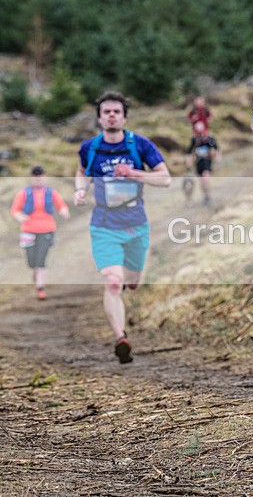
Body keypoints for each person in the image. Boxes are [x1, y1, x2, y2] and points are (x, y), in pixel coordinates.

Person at [74, 91, 171, 364]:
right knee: (114, 282)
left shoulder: (139, 145)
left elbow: (165, 179)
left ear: (124, 116)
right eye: (106, 112)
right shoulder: (90, 148)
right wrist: (80, 191)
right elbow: (81, 171)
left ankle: (127, 291)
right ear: (100, 118)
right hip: (103, 225)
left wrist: (135, 173)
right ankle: (121, 337)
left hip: (136, 225)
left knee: (132, 282)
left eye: (116, 111)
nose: (112, 115)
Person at [9, 165, 70, 300]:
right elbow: (15, 210)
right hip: (28, 230)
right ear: (31, 179)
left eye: (41, 178)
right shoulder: (23, 193)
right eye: (36, 178)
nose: (38, 181)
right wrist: (19, 216)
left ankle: (40, 288)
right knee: (31, 260)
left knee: (41, 259)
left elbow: (62, 205)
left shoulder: (51, 192)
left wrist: (64, 211)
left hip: (47, 229)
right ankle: (36, 273)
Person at [185, 121, 221, 206]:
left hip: (207, 161)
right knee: (201, 181)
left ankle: (209, 196)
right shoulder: (194, 139)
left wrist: (218, 159)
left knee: (206, 177)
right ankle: (205, 196)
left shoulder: (209, 139)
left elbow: (216, 149)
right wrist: (188, 163)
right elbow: (189, 152)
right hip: (198, 162)